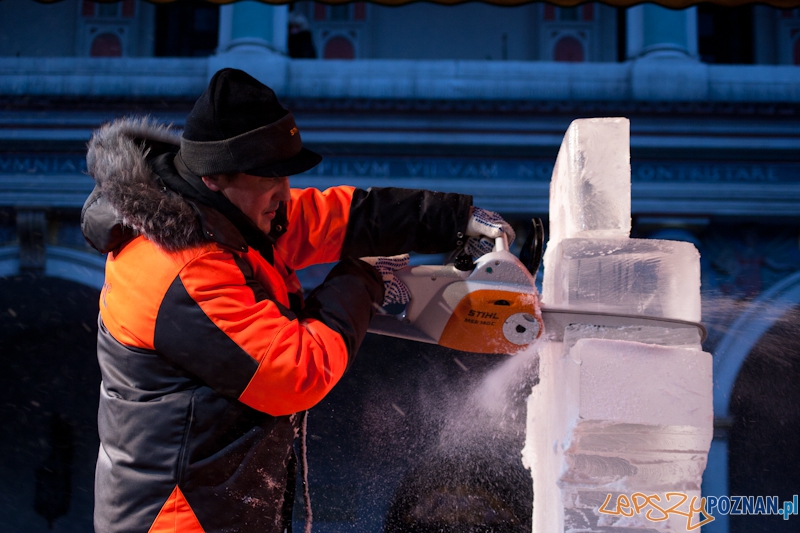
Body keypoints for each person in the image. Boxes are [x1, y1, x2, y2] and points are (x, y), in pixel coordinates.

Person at [81, 68, 514, 533]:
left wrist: (453, 219)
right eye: (269, 177)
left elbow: (335, 218)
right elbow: (296, 372)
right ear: (215, 177)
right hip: (178, 522)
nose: (284, 191)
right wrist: (365, 278)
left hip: (215, 510)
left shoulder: (226, 217)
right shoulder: (179, 267)